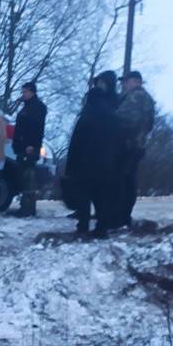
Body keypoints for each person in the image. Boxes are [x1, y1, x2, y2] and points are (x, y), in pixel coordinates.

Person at [64, 85, 126, 238]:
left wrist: (70, 167)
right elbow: (120, 143)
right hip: (107, 165)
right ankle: (101, 227)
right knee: (102, 197)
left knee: (84, 196)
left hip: (85, 165)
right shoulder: (114, 118)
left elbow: (75, 144)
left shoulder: (86, 117)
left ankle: (83, 225)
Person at [116, 70, 156, 227]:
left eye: (127, 81)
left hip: (130, 145)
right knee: (127, 179)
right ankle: (123, 215)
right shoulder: (142, 97)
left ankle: (122, 216)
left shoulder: (137, 97)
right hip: (134, 144)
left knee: (126, 180)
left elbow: (123, 118)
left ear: (136, 81)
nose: (124, 84)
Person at [11, 82, 47, 217]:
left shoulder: (38, 107)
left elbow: (37, 129)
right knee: (23, 175)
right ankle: (24, 205)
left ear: (32, 92)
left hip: (29, 147)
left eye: (25, 92)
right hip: (21, 146)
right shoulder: (26, 107)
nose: (23, 94)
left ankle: (28, 207)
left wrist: (32, 145)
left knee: (29, 176)